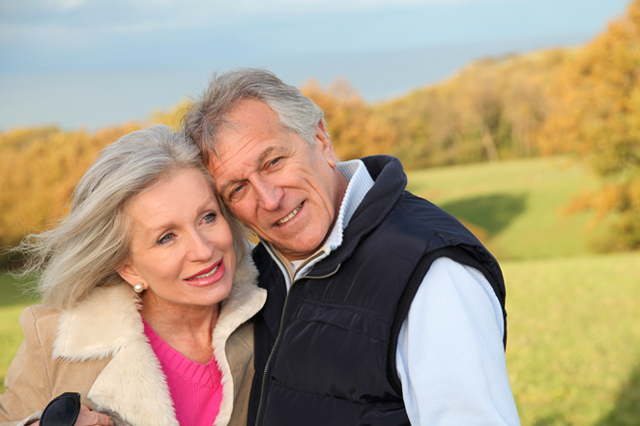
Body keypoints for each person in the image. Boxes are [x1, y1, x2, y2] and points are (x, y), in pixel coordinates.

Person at [182, 68, 521, 425]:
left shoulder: (432, 274)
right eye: (237, 189)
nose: (268, 199)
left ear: (321, 139)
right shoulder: (258, 271)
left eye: (274, 162)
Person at [0, 125, 266, 426]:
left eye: (207, 217)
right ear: (127, 267)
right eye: (167, 237)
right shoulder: (52, 343)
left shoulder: (278, 311)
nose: (203, 250)